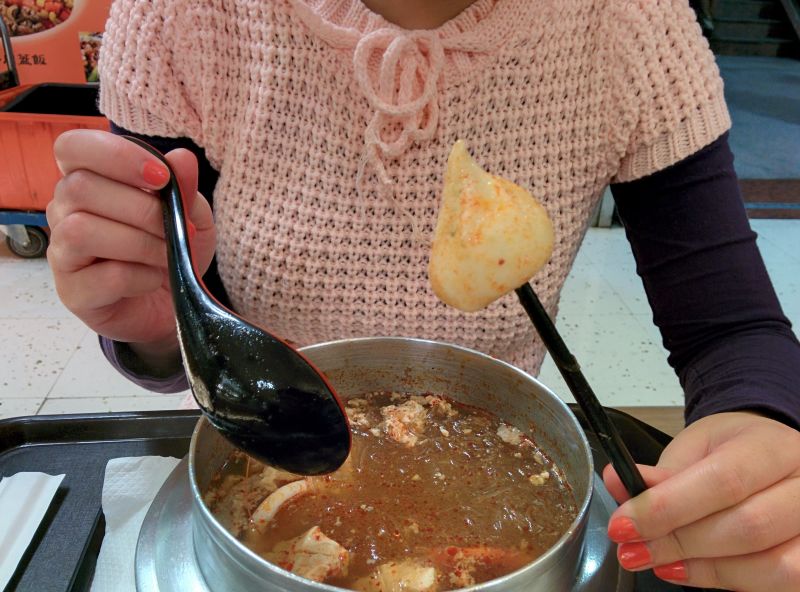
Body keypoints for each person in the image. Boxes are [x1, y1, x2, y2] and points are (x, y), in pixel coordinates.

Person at [45, 0, 799, 589]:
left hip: (507, 480)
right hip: (247, 469)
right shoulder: (183, 16)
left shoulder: (629, 22)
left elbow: (731, 333)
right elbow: (161, 296)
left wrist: (760, 434)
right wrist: (157, 320)